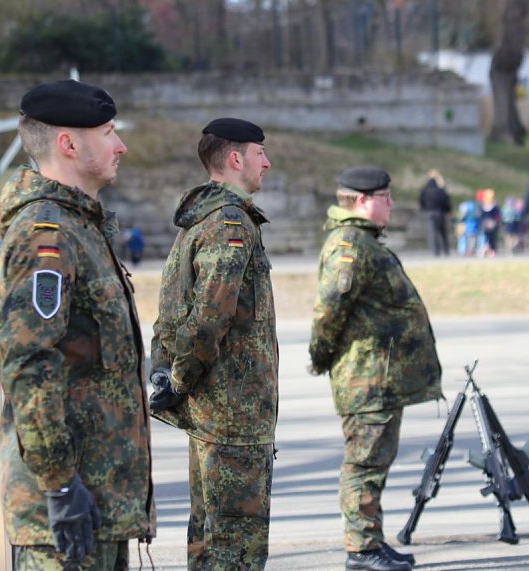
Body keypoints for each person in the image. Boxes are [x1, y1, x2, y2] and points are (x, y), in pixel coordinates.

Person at [0, 79, 153, 570]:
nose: (121, 145)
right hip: (64, 513)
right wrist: (60, 484)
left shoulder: (82, 228)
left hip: (100, 502)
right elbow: (26, 363)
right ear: (68, 144)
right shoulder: (48, 235)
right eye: (108, 133)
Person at [149, 117, 278, 570]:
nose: (267, 161)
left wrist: (167, 376)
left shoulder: (199, 222)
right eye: (259, 152)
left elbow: (169, 316)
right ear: (235, 158)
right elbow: (208, 318)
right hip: (233, 418)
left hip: (213, 418)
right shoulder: (229, 225)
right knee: (234, 550)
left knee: (208, 544)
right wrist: (178, 380)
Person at [308, 166, 444, 571]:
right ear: (364, 200)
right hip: (367, 379)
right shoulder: (350, 244)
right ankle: (361, 550)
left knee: (376, 463)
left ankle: (371, 540)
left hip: (381, 378)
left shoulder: (363, 242)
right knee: (363, 464)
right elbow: (328, 311)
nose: (392, 204)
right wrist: (320, 356)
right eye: (386, 197)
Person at [417, 169, 452, 256]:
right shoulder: (440, 190)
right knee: (443, 233)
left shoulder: (424, 190)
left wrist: (424, 209)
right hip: (441, 212)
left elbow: (421, 201)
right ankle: (446, 250)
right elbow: (446, 201)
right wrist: (448, 211)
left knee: (432, 233)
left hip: (429, 212)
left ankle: (435, 252)